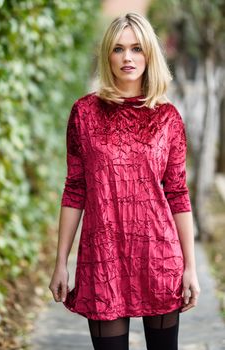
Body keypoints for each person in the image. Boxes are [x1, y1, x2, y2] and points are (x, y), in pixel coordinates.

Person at [49, 12, 201, 350]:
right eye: (118, 49)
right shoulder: (84, 113)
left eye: (136, 49)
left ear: (149, 54)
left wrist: (191, 268)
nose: (127, 58)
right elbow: (75, 188)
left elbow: (177, 193)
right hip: (102, 258)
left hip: (158, 257)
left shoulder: (167, 118)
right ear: (107, 55)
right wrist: (61, 262)